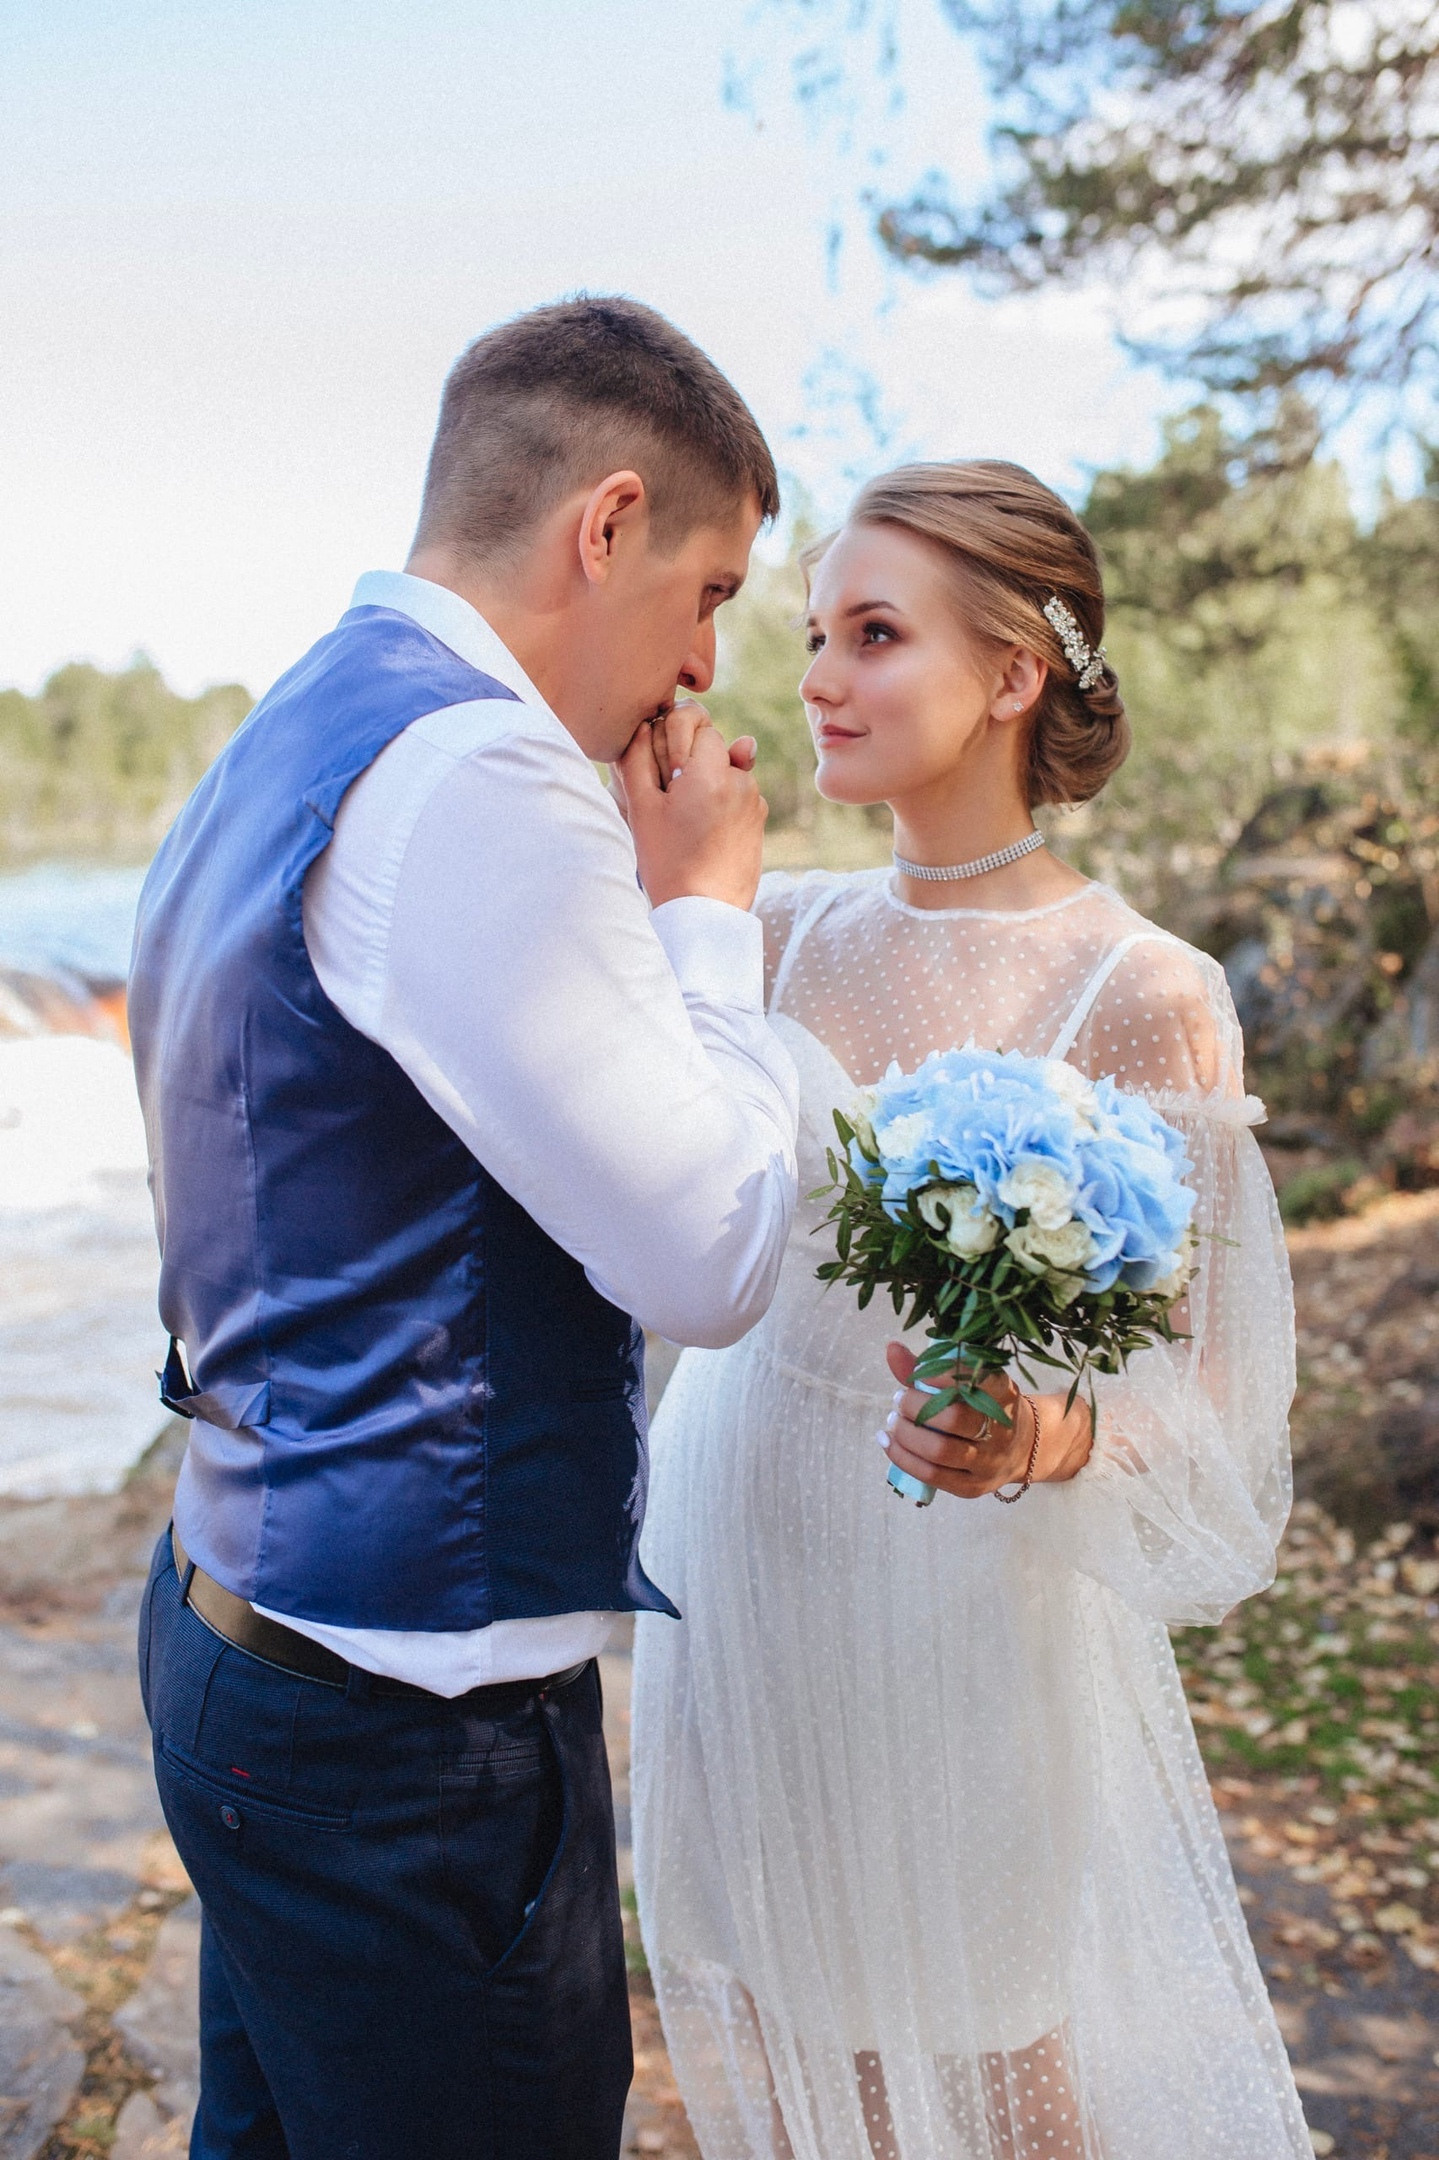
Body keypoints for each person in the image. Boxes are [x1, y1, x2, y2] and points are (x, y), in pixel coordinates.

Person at [127, 296, 800, 2160]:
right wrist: (706, 917)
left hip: (239, 1631)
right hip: (405, 1731)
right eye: (713, 591)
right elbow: (711, 1255)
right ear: (606, 525)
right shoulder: (487, 779)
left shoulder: (305, 724)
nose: (701, 670)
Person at [632, 461, 1313, 2159]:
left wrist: (1042, 1431)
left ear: (1015, 674)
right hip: (739, 1576)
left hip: (963, 1620)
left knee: (995, 2063)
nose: (816, 678)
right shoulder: (761, 929)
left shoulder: (1145, 992)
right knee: (788, 2045)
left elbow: (1218, 1411)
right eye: (811, 637)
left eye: (874, 634)